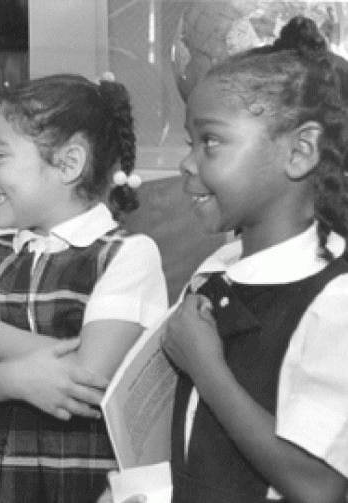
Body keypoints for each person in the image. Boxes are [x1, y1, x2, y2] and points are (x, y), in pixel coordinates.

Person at [0, 74, 169, 502]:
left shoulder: (128, 255)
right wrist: (17, 379)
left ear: (68, 163)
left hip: (77, 483)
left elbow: (85, 378)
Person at [160, 16, 348, 503]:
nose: (186, 162)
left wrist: (207, 367)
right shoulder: (214, 273)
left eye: (211, 141)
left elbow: (320, 485)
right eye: (190, 142)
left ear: (300, 151)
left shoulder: (335, 297)